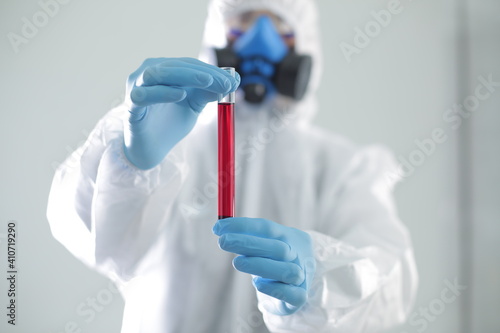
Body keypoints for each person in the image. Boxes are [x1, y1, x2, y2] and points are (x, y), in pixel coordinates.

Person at [47, 0, 418, 332]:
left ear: (305, 44)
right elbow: (93, 239)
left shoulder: (341, 168)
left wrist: (319, 276)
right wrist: (129, 164)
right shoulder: (170, 151)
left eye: (280, 27)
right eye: (243, 23)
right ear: (217, 37)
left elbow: (390, 279)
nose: (260, 40)